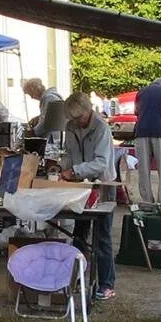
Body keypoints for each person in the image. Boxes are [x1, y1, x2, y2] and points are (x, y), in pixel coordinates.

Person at [63, 100, 119, 301]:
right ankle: (75, 279)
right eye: (73, 119)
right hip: (80, 185)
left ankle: (106, 284)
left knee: (102, 237)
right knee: (79, 234)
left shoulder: (102, 129)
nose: (76, 123)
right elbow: (69, 153)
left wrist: (75, 171)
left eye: (79, 118)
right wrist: (64, 169)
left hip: (103, 185)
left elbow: (101, 163)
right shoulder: (71, 126)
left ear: (88, 112)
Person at [131, 76, 161, 207]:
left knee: (143, 170)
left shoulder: (141, 92)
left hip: (141, 133)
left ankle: (147, 202)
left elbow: (136, 112)